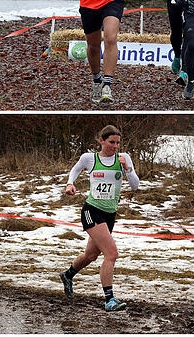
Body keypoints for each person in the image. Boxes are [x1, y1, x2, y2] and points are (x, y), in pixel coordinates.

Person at [59, 125, 139, 311]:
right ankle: (109, 299)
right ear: (101, 141)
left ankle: (68, 275)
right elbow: (75, 169)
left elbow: (135, 186)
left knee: (91, 255)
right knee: (111, 254)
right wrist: (70, 184)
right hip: (92, 211)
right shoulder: (90, 158)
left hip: (110, 214)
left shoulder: (124, 158)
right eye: (112, 142)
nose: (115, 146)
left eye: (118, 143)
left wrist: (128, 169)